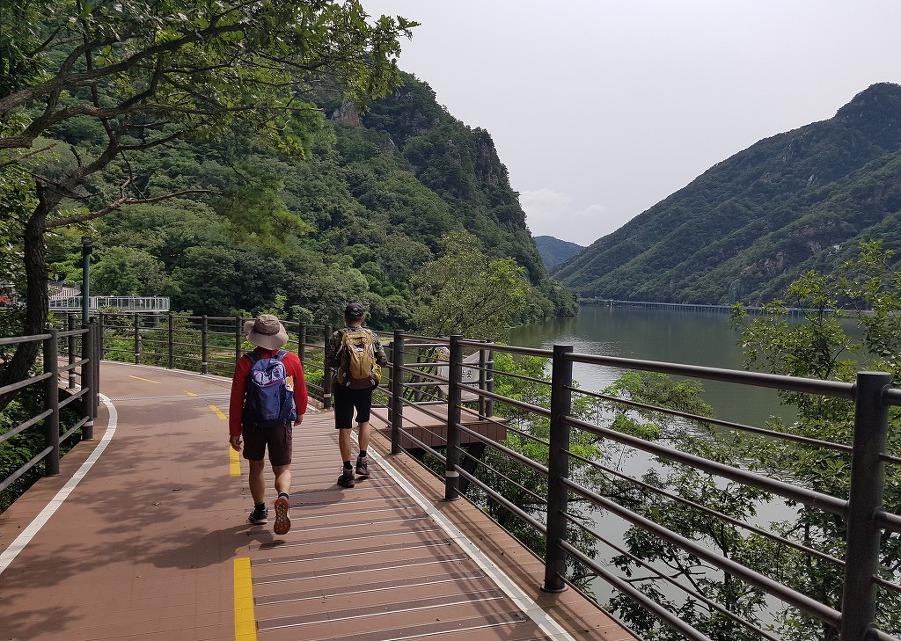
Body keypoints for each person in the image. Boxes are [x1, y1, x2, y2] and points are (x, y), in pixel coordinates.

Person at [229, 313, 307, 535]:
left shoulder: (245, 363)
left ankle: (260, 510)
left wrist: (234, 431)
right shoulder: (291, 360)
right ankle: (283, 496)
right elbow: (300, 392)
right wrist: (300, 413)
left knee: (256, 467)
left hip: (253, 423)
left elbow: (237, 399)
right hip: (280, 422)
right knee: (282, 468)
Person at [325, 302, 388, 488]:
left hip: (344, 386)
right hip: (365, 385)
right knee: (364, 422)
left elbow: (329, 362)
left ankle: (347, 472)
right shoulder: (371, 335)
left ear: (345, 318)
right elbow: (383, 360)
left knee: (344, 428)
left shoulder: (337, 336)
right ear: (363, 318)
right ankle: (363, 461)